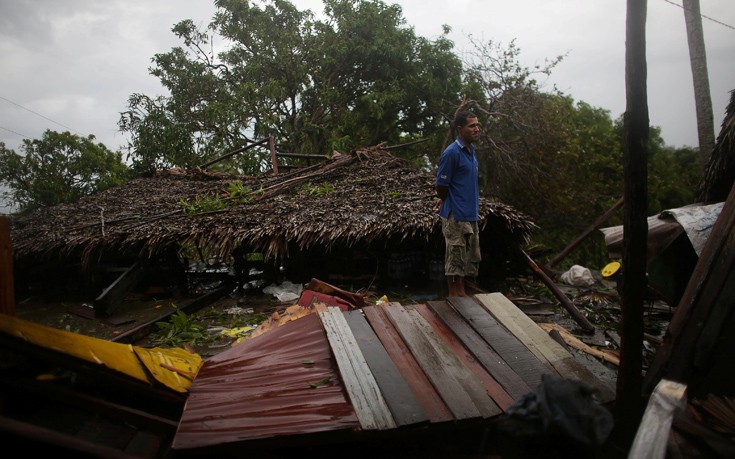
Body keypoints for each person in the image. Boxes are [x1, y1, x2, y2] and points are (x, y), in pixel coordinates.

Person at [434, 110, 482, 297]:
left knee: (469, 260)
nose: (477, 129)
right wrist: (447, 199)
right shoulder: (452, 153)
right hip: (456, 215)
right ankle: (456, 299)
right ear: (460, 128)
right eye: (472, 126)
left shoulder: (471, 152)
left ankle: (462, 299)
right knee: (455, 260)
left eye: (478, 125)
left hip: (471, 214)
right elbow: (441, 185)